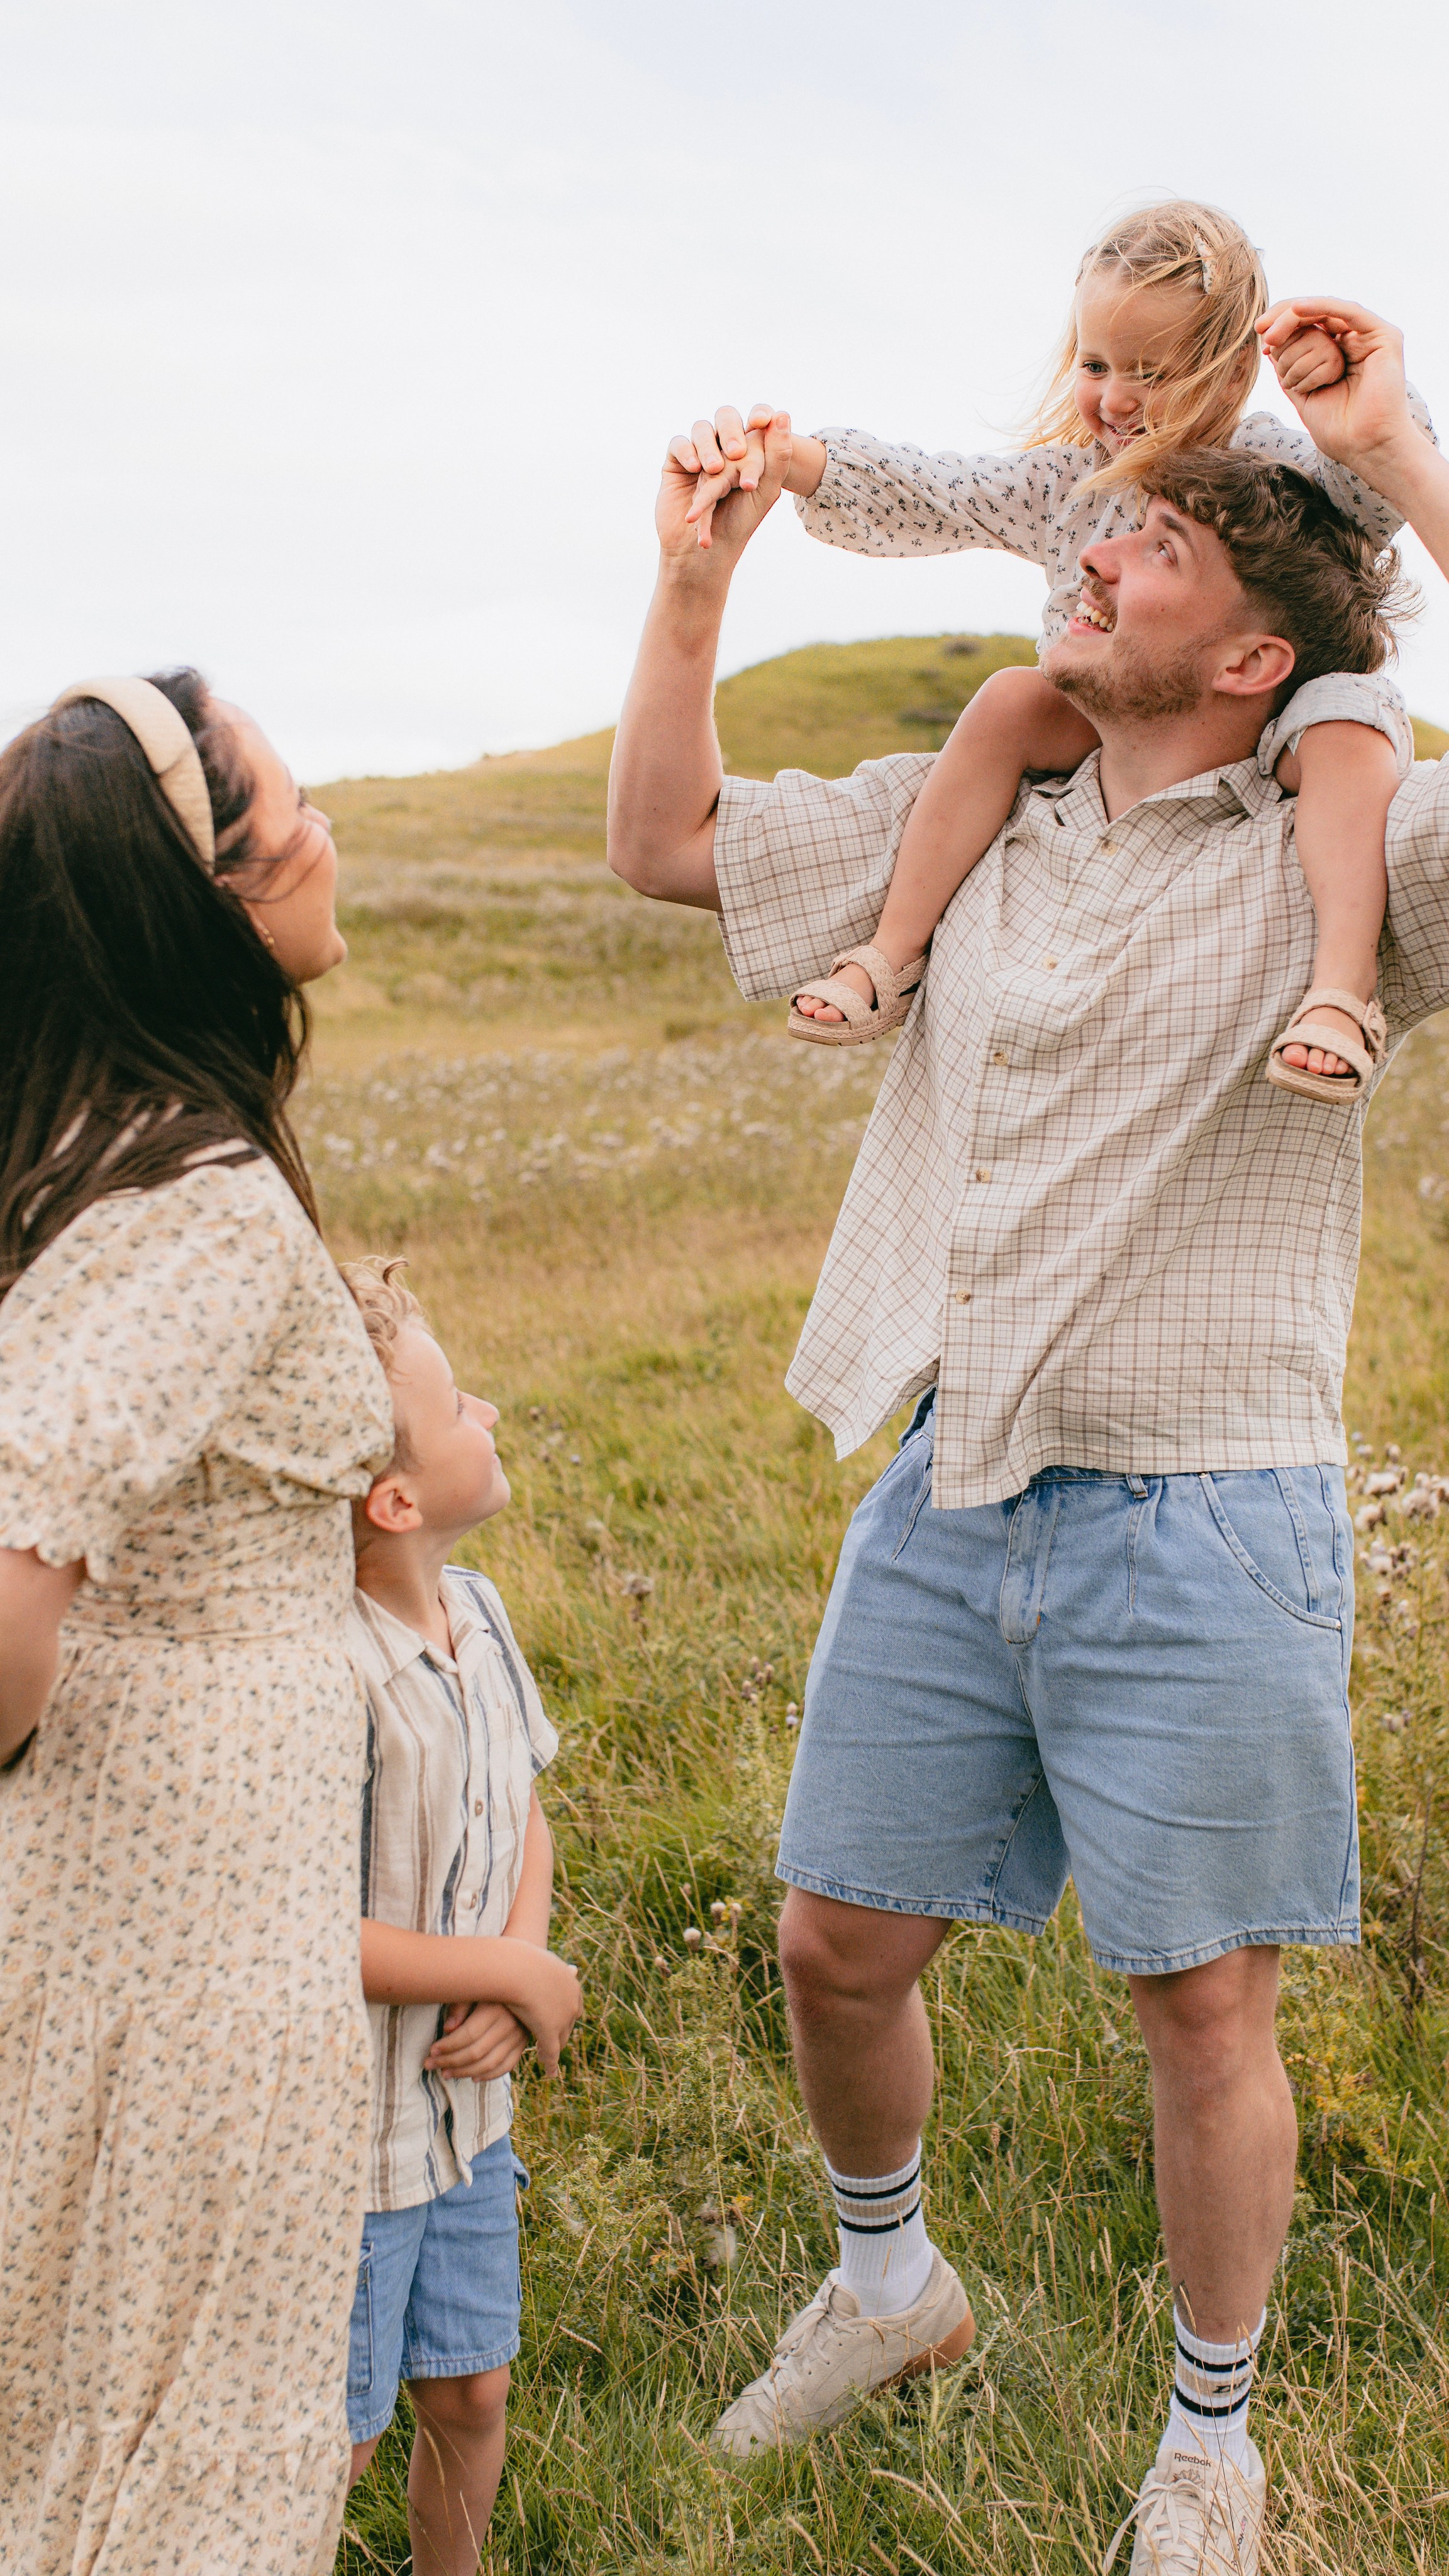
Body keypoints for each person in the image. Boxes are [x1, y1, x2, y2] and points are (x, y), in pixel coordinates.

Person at [606, 311, 1449, 2573]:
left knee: (1198, 1998)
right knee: (827, 1943)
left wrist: (1399, 450)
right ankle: (891, 2283)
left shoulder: (1355, 845)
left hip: (1205, 1502)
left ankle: (1207, 2443)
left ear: (1259, 653)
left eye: (1148, 543)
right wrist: (698, 575)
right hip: (951, 1469)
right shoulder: (980, 799)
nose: (1088, 552)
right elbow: (664, 843)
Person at [0, 674, 395, 2576]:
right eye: (284, 821)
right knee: (174, 2466)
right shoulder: (201, 1203)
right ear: (199, 907)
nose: (324, 834)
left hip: (126, 1913)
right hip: (189, 1954)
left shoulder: (74, 1144)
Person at [675, 201, 1436, 1102]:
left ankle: (1342, 994)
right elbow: (941, 490)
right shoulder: (1070, 481)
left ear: (1234, 373)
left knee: (1348, 718)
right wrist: (794, 457)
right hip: (1121, 718)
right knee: (1009, 699)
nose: (1115, 399)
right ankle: (891, 950)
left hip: (1276, 714)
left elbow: (1381, 480)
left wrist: (1337, 370)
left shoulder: (1277, 461)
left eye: (1152, 372)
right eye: (1095, 363)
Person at [340, 1258, 581, 2576]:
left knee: (470, 2387)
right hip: (359, 2144)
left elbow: (521, 1803)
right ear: (396, 1496)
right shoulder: (337, 1674)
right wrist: (499, 1965)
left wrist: (518, 1963)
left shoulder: (478, 1613)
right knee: (342, 2429)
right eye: (457, 1409)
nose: (485, 1406)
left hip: (469, 2122)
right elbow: (308, 1927)